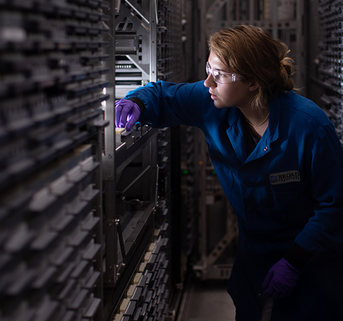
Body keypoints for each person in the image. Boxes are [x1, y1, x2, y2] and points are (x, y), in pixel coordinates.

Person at [115, 25, 343, 321]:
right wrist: (137, 102)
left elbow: (334, 205)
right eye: (208, 68)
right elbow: (163, 95)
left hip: (312, 262)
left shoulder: (310, 127)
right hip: (253, 256)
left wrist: (295, 261)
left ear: (253, 82)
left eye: (219, 74)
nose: (208, 81)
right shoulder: (214, 102)